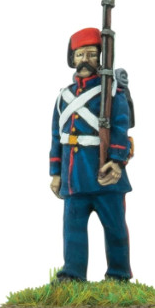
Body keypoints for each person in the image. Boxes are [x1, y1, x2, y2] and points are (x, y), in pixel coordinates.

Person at [49, 27, 133, 281]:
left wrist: (116, 162)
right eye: (79, 54)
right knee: (73, 230)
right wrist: (56, 173)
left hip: (105, 175)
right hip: (74, 177)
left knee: (115, 228)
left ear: (101, 57)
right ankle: (72, 274)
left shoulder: (113, 93)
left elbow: (120, 129)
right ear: (72, 58)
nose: (84, 60)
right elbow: (57, 136)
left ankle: (118, 275)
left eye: (91, 54)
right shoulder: (64, 97)